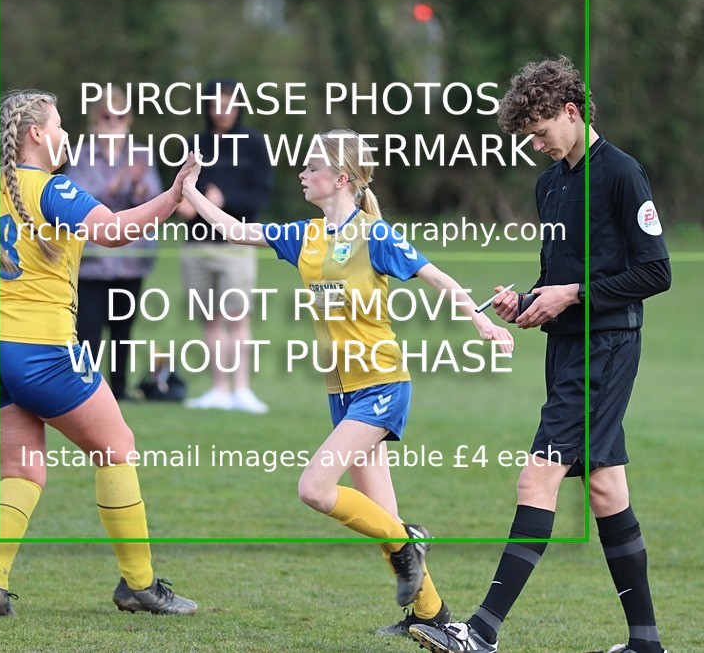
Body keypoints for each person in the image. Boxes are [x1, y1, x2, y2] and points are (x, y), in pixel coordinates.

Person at [179, 130, 514, 636]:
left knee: (315, 488)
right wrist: (190, 190)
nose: (302, 174)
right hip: (341, 392)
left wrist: (482, 322)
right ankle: (433, 617)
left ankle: (409, 540)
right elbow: (234, 229)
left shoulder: (374, 235)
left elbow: (438, 278)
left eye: (312, 167)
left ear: (340, 178)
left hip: (381, 382)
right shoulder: (305, 236)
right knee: (379, 515)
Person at [0, 89, 197, 617]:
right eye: (58, 124)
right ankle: (139, 585)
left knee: (20, 470)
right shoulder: (54, 190)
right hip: (42, 351)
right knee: (117, 448)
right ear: (36, 134)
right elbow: (118, 232)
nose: (66, 134)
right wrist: (173, 196)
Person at [409, 57, 671, 653]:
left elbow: (656, 272)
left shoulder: (623, 173)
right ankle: (645, 644)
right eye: (526, 136)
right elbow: (563, 275)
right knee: (605, 488)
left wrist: (571, 294)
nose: (535, 143)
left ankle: (480, 632)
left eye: (540, 129)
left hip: (607, 349)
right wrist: (526, 300)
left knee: (538, 476)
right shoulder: (549, 183)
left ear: (571, 111)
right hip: (568, 350)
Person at [177, 78, 273, 413]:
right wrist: (183, 202)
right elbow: (183, 190)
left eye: (230, 103)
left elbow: (262, 193)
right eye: (217, 104)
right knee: (209, 319)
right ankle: (219, 389)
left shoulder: (253, 143)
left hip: (237, 244)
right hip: (197, 246)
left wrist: (222, 199)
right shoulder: (195, 144)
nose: (223, 111)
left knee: (237, 316)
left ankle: (242, 390)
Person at [62, 84, 161, 401]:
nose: (113, 121)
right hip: (93, 257)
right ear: (96, 119)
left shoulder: (142, 153)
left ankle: (119, 390)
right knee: (88, 328)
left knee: (123, 329)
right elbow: (80, 199)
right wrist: (121, 182)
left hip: (131, 257)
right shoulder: (81, 155)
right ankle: (85, 390)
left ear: (129, 118)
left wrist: (138, 188)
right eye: (107, 116)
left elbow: (155, 198)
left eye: (120, 115)